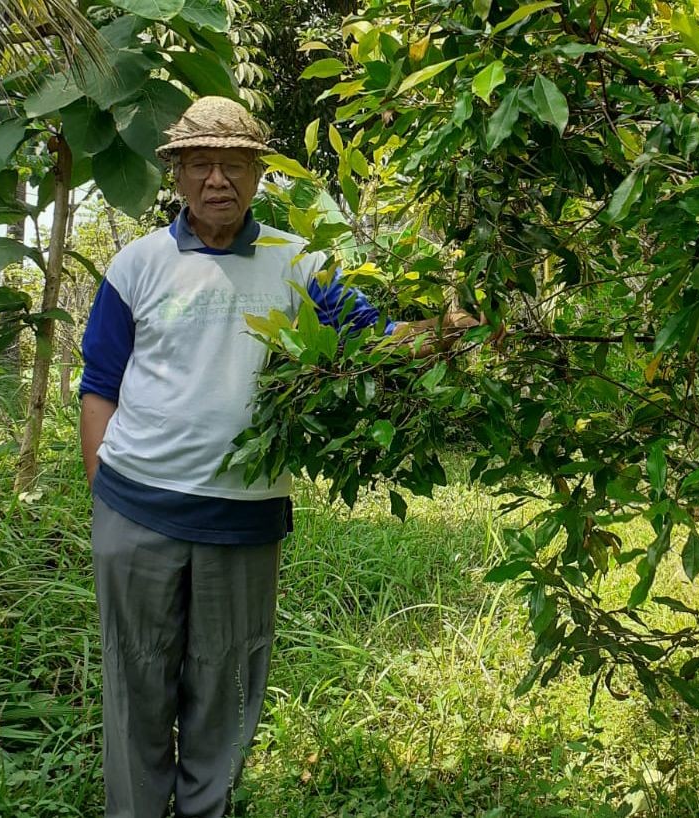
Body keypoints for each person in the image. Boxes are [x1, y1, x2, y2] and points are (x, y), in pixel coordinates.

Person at [78, 96, 472, 818]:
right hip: (135, 513)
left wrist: (445, 331)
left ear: (261, 174)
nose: (217, 179)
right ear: (177, 174)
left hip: (243, 521)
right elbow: (100, 384)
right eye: (201, 164)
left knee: (225, 686)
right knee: (135, 682)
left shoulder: (300, 263)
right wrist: (102, 488)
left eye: (234, 163)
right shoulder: (138, 264)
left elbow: (369, 338)